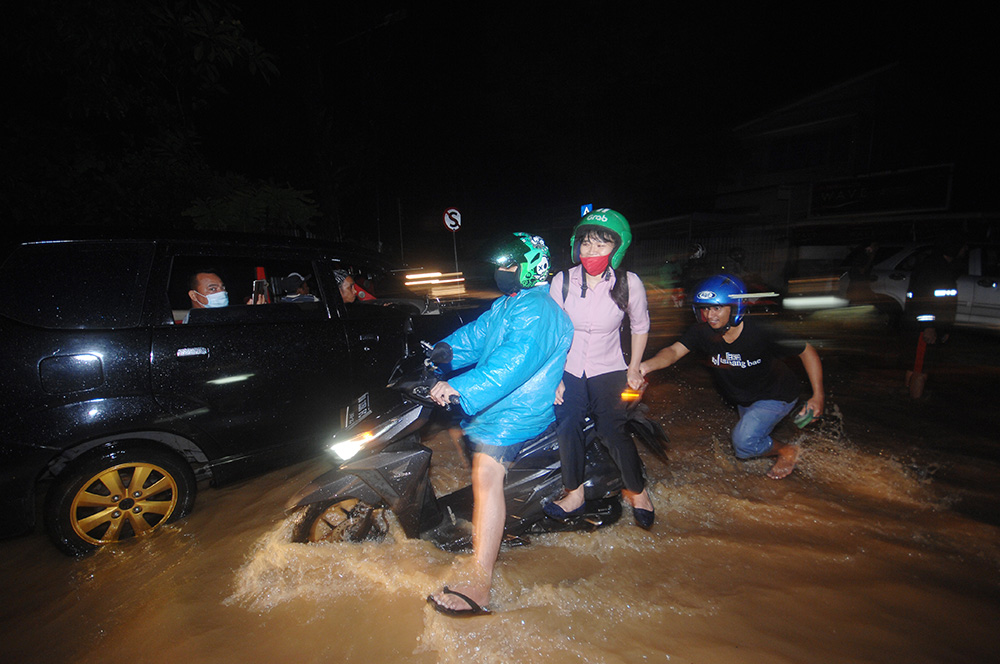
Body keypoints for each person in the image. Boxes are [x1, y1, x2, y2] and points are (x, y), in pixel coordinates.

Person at [426, 232, 573, 617]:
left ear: (529, 268)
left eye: (509, 267)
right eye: (500, 267)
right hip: (497, 406)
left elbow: (512, 363)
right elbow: (477, 337)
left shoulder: (539, 311)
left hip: (517, 411)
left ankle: (481, 582)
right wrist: (442, 352)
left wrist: (457, 387)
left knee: (486, 477)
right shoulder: (511, 303)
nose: (501, 273)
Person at [639, 274, 824, 480]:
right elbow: (673, 352)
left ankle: (787, 451)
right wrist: (644, 367)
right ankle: (773, 446)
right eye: (706, 308)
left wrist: (818, 396)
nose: (710, 315)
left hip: (776, 395)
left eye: (717, 308)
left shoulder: (762, 331)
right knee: (752, 439)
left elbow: (807, 351)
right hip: (746, 398)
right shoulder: (702, 332)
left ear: (735, 307)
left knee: (744, 442)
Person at [543, 208, 655, 528]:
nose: (592, 251)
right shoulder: (562, 281)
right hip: (569, 366)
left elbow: (640, 326)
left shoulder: (628, 283)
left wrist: (633, 367)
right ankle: (574, 493)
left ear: (616, 249)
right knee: (568, 423)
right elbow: (552, 334)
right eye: (586, 244)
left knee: (613, 430)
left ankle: (638, 492)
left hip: (609, 367)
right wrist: (555, 377)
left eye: (602, 244)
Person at [904, 239, 967, 398]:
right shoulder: (933, 266)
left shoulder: (942, 266)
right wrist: (929, 326)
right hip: (924, 328)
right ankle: (913, 409)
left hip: (933, 325)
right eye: (963, 247)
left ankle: (907, 401)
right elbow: (922, 298)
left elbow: (943, 300)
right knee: (920, 369)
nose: (965, 250)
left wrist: (945, 327)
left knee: (917, 366)